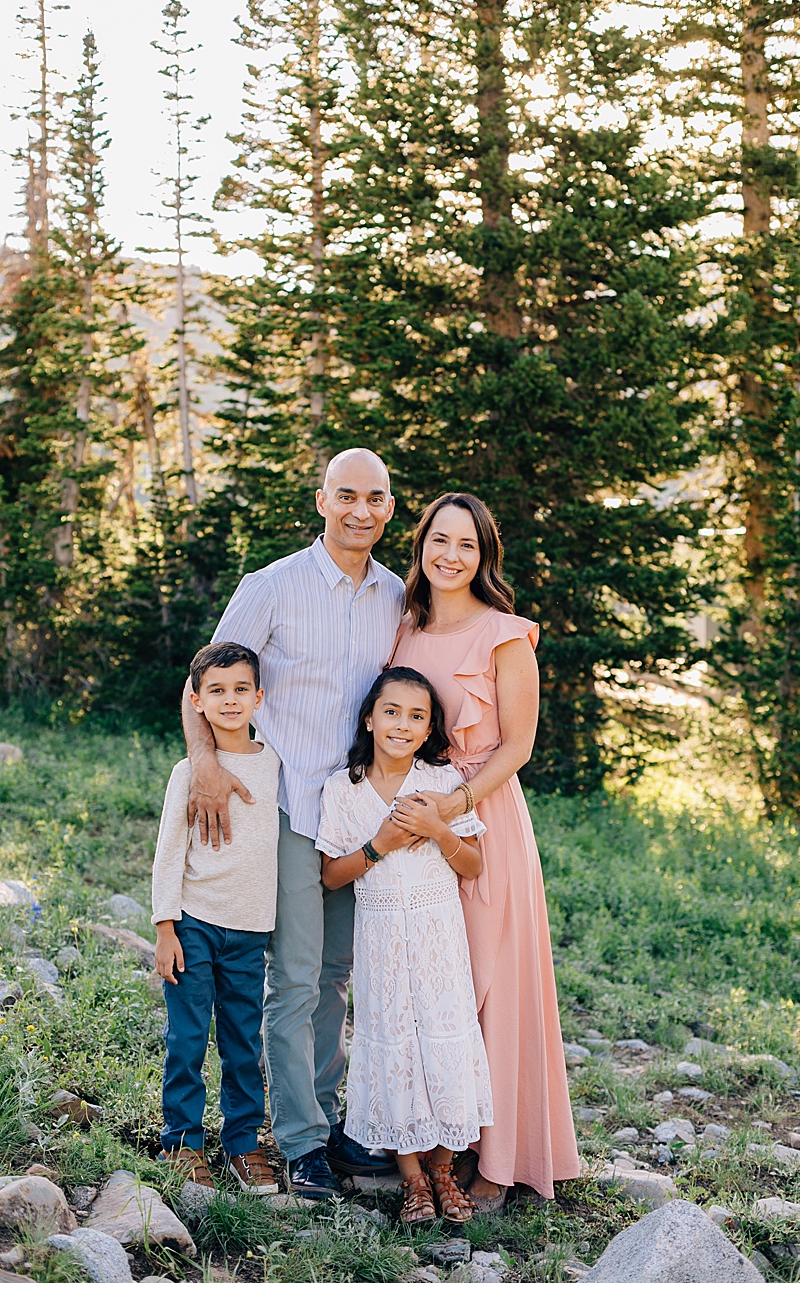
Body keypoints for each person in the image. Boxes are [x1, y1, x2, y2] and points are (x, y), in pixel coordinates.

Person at [186, 448, 450, 1198]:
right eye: (346, 496)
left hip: (357, 813)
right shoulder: (272, 586)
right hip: (290, 808)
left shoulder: (397, 598)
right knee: (297, 978)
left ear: (391, 507)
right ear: (322, 500)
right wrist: (207, 767)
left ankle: (327, 1125)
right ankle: (299, 1140)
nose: (360, 510)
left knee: (338, 975)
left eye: (375, 498)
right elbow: (199, 681)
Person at [389, 491, 580, 1208]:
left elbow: (519, 744)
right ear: (422, 545)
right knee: (436, 987)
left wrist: (456, 805)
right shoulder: (404, 630)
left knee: (493, 983)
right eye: (440, 540)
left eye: (466, 545)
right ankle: (441, 1149)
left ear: (483, 555)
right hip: (416, 825)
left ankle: (498, 1162)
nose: (450, 555)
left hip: (485, 817)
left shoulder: (505, 634)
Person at [317, 667, 492, 1225]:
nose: (402, 724)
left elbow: (473, 864)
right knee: (393, 1043)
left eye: (417, 716)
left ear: (428, 730)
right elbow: (331, 875)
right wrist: (381, 843)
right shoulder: (342, 789)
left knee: (445, 1041)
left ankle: (443, 1169)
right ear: (369, 718)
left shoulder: (441, 783)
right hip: (383, 939)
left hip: (439, 934)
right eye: (391, 712)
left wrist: (441, 830)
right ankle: (412, 1177)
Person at [151, 642, 282, 1194]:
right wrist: (165, 929)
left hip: (251, 929)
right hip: (195, 924)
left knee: (242, 1040)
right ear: (198, 701)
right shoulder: (189, 771)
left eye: (240, 690)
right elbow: (168, 852)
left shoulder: (276, 764)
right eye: (216, 691)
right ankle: (182, 1141)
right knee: (186, 1037)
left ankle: (244, 1142)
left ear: (259, 696)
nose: (230, 700)